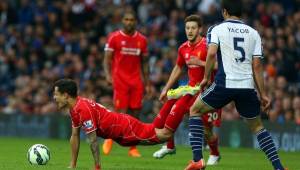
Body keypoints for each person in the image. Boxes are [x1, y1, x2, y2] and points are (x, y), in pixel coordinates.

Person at [184, 0, 287, 170]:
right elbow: (257, 65)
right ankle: (278, 167)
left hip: (224, 84)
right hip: (246, 87)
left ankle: (197, 161)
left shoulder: (216, 29)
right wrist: (263, 94)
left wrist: (206, 78)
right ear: (241, 13)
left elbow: (211, 55)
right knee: (258, 127)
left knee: (194, 111)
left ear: (224, 12)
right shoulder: (253, 33)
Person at [53, 79, 169, 170]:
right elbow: (74, 136)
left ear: (66, 95)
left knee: (163, 136)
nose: (54, 97)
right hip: (120, 134)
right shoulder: (75, 109)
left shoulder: (83, 109)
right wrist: (72, 165)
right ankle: (171, 106)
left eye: (56, 94)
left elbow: (93, 140)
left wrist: (97, 167)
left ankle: (173, 104)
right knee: (157, 132)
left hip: (126, 129)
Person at [151, 15, 221, 165]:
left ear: (200, 29)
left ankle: (215, 153)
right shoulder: (183, 48)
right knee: (169, 112)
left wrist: (200, 62)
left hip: (208, 91)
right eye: (187, 28)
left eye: (193, 28)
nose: (190, 31)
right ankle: (169, 146)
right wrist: (166, 88)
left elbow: (218, 66)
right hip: (190, 90)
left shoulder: (208, 46)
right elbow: (178, 68)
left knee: (207, 130)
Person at [103, 10, 150, 157]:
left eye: (132, 20)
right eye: (126, 19)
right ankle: (110, 138)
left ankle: (133, 148)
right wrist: (108, 75)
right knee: (120, 113)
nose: (129, 22)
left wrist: (147, 83)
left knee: (135, 114)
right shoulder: (114, 37)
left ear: (136, 21)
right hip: (120, 80)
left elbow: (145, 63)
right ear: (122, 21)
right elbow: (107, 59)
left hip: (136, 81)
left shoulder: (142, 40)